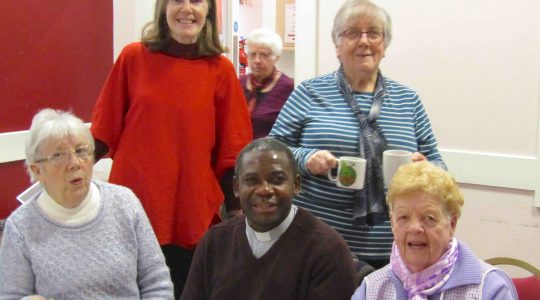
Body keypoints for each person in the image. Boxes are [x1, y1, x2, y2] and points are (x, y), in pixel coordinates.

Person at [90, 0, 252, 297]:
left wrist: (238, 212)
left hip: (189, 211)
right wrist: (67, 166)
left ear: (209, 12)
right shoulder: (133, 57)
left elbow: (234, 152)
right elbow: (102, 131)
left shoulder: (221, 70)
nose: (187, 9)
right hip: (134, 205)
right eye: (178, 0)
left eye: (197, 1)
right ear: (163, 8)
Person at [269, 0, 446, 269]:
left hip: (394, 248)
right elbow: (270, 151)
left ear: (384, 46)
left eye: (373, 33)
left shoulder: (408, 100)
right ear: (337, 46)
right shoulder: (309, 92)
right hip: (317, 244)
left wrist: (427, 169)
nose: (364, 41)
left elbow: (437, 161)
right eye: (352, 33)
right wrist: (306, 158)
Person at [0, 109, 173, 299]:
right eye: (58, 155)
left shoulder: (124, 203)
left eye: (81, 151)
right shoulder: (20, 227)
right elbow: (11, 295)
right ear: (37, 170)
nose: (75, 163)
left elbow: (157, 283)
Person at [180, 138, 356, 300]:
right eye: (252, 180)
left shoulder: (327, 250)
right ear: (236, 187)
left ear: (296, 185)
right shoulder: (214, 242)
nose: (264, 190)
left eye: (277, 180)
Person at [352, 161, 518, 299]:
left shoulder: (488, 288)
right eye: (403, 217)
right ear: (392, 222)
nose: (415, 228)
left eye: (429, 218)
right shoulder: (372, 289)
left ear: (452, 224)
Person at [239, 28, 294, 139]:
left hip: (270, 153)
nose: (257, 60)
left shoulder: (289, 88)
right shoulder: (239, 84)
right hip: (238, 152)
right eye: (253, 54)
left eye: (264, 55)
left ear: (276, 58)